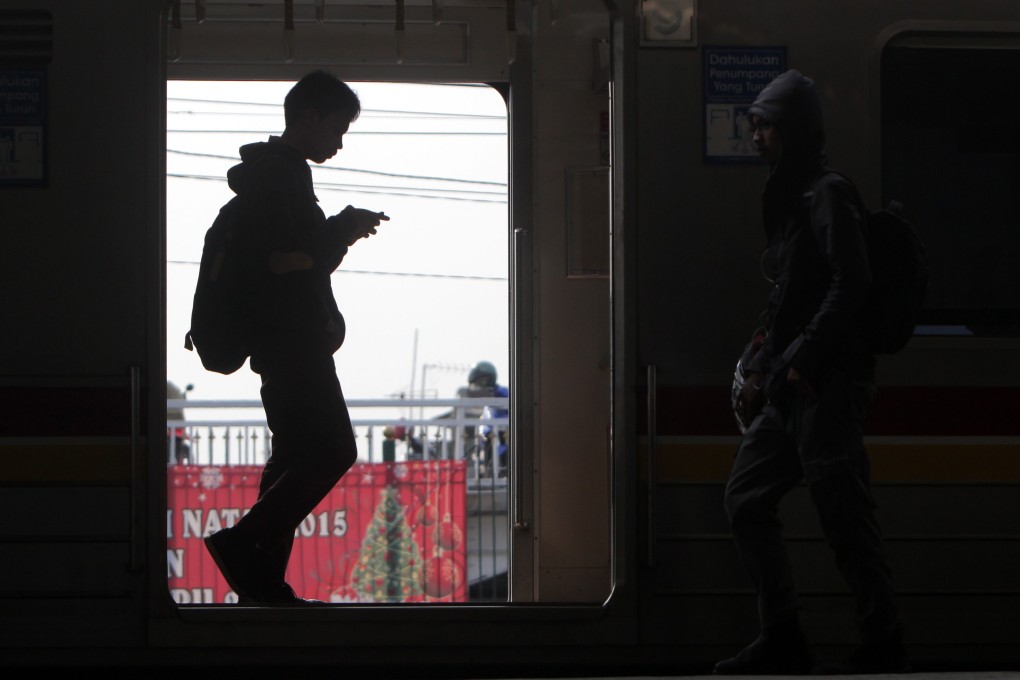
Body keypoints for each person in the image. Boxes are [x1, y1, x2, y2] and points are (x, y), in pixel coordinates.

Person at [716, 70, 909, 674]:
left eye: (765, 126)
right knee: (746, 497)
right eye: (754, 126)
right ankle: (783, 636)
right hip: (792, 387)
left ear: (791, 130)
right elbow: (794, 297)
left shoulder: (826, 194)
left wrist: (799, 361)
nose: (756, 137)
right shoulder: (793, 197)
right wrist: (763, 361)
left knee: (844, 516)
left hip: (828, 385)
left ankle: (884, 644)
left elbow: (854, 282)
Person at [203, 70, 389, 605]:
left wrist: (335, 231)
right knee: (333, 450)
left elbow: (292, 252)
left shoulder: (275, 176)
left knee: (291, 459)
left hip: (279, 342)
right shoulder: (280, 177)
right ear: (308, 119)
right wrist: (341, 232)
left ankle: (261, 584)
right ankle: (242, 546)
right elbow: (288, 262)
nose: (338, 141)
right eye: (336, 128)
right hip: (291, 343)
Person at [467, 361, 509, 477]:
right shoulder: (489, 397)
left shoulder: (500, 393)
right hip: (489, 435)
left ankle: (500, 471)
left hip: (504, 434)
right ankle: (487, 471)